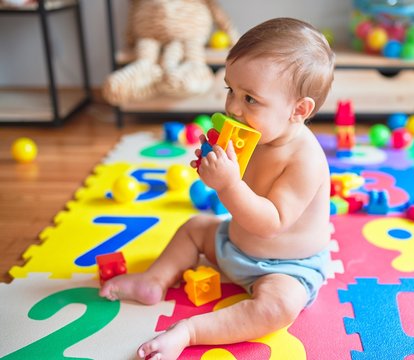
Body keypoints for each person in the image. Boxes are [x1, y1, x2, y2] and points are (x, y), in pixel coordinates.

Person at [100, 17, 335, 360]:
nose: (233, 108)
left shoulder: (305, 159)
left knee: (280, 309)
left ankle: (191, 331)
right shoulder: (256, 132)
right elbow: (237, 186)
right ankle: (153, 280)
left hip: (286, 267)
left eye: (250, 99)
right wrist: (214, 166)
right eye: (231, 90)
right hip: (232, 243)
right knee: (195, 227)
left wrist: (227, 184)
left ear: (299, 110)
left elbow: (270, 223)